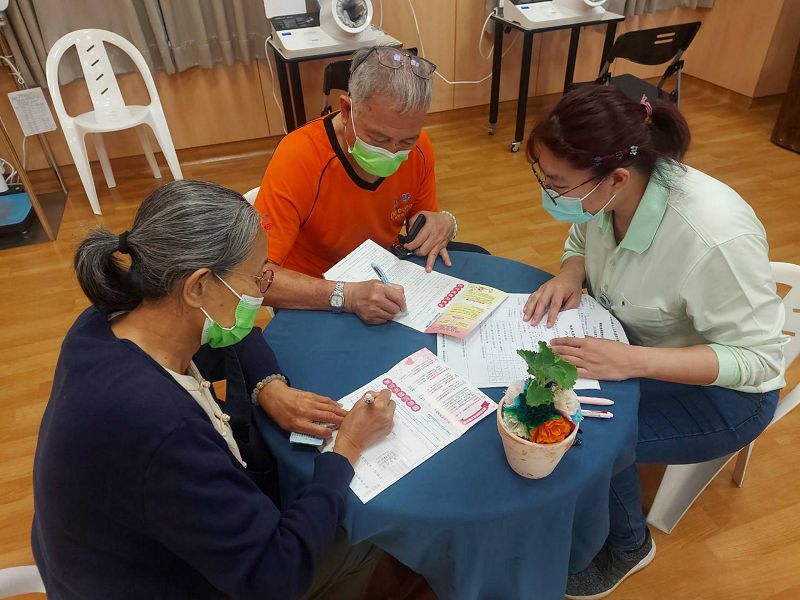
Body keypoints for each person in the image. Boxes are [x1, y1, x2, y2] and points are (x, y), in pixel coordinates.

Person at [32, 180, 396, 600]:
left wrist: (268, 386)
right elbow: (278, 575)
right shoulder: (163, 428)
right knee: (367, 546)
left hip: (107, 557)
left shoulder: (112, 318)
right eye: (257, 277)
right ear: (198, 286)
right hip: (166, 582)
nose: (262, 291)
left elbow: (240, 335)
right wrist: (346, 447)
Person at [522, 86, 786, 599]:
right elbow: (581, 235)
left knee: (587, 434)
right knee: (550, 394)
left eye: (557, 183)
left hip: (726, 394)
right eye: (544, 177)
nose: (549, 193)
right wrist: (571, 272)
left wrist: (632, 361)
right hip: (633, 344)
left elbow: (757, 358)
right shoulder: (610, 193)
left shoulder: (712, 238)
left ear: (617, 178)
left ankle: (628, 546)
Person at [255, 45, 483, 326]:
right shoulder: (299, 157)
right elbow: (253, 278)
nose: (392, 152)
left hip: (382, 277)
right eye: (379, 138)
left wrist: (444, 223)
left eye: (406, 141)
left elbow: (423, 222)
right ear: (346, 109)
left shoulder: (420, 149)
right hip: (315, 293)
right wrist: (346, 295)